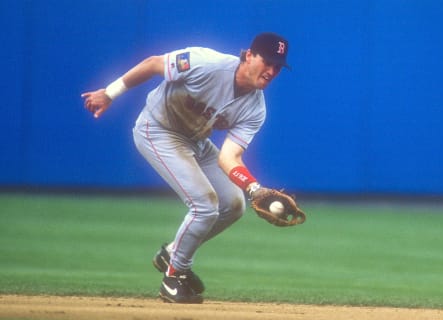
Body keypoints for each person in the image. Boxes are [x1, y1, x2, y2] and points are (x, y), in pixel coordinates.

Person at [81, 32, 290, 304]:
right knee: (205, 204)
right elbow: (154, 63)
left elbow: (229, 158)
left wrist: (254, 188)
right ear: (249, 55)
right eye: (268, 62)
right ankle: (174, 277)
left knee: (234, 204)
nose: (272, 71)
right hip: (158, 130)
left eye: (278, 67)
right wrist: (109, 93)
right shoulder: (207, 63)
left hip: (196, 142)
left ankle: (172, 254)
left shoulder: (255, 109)